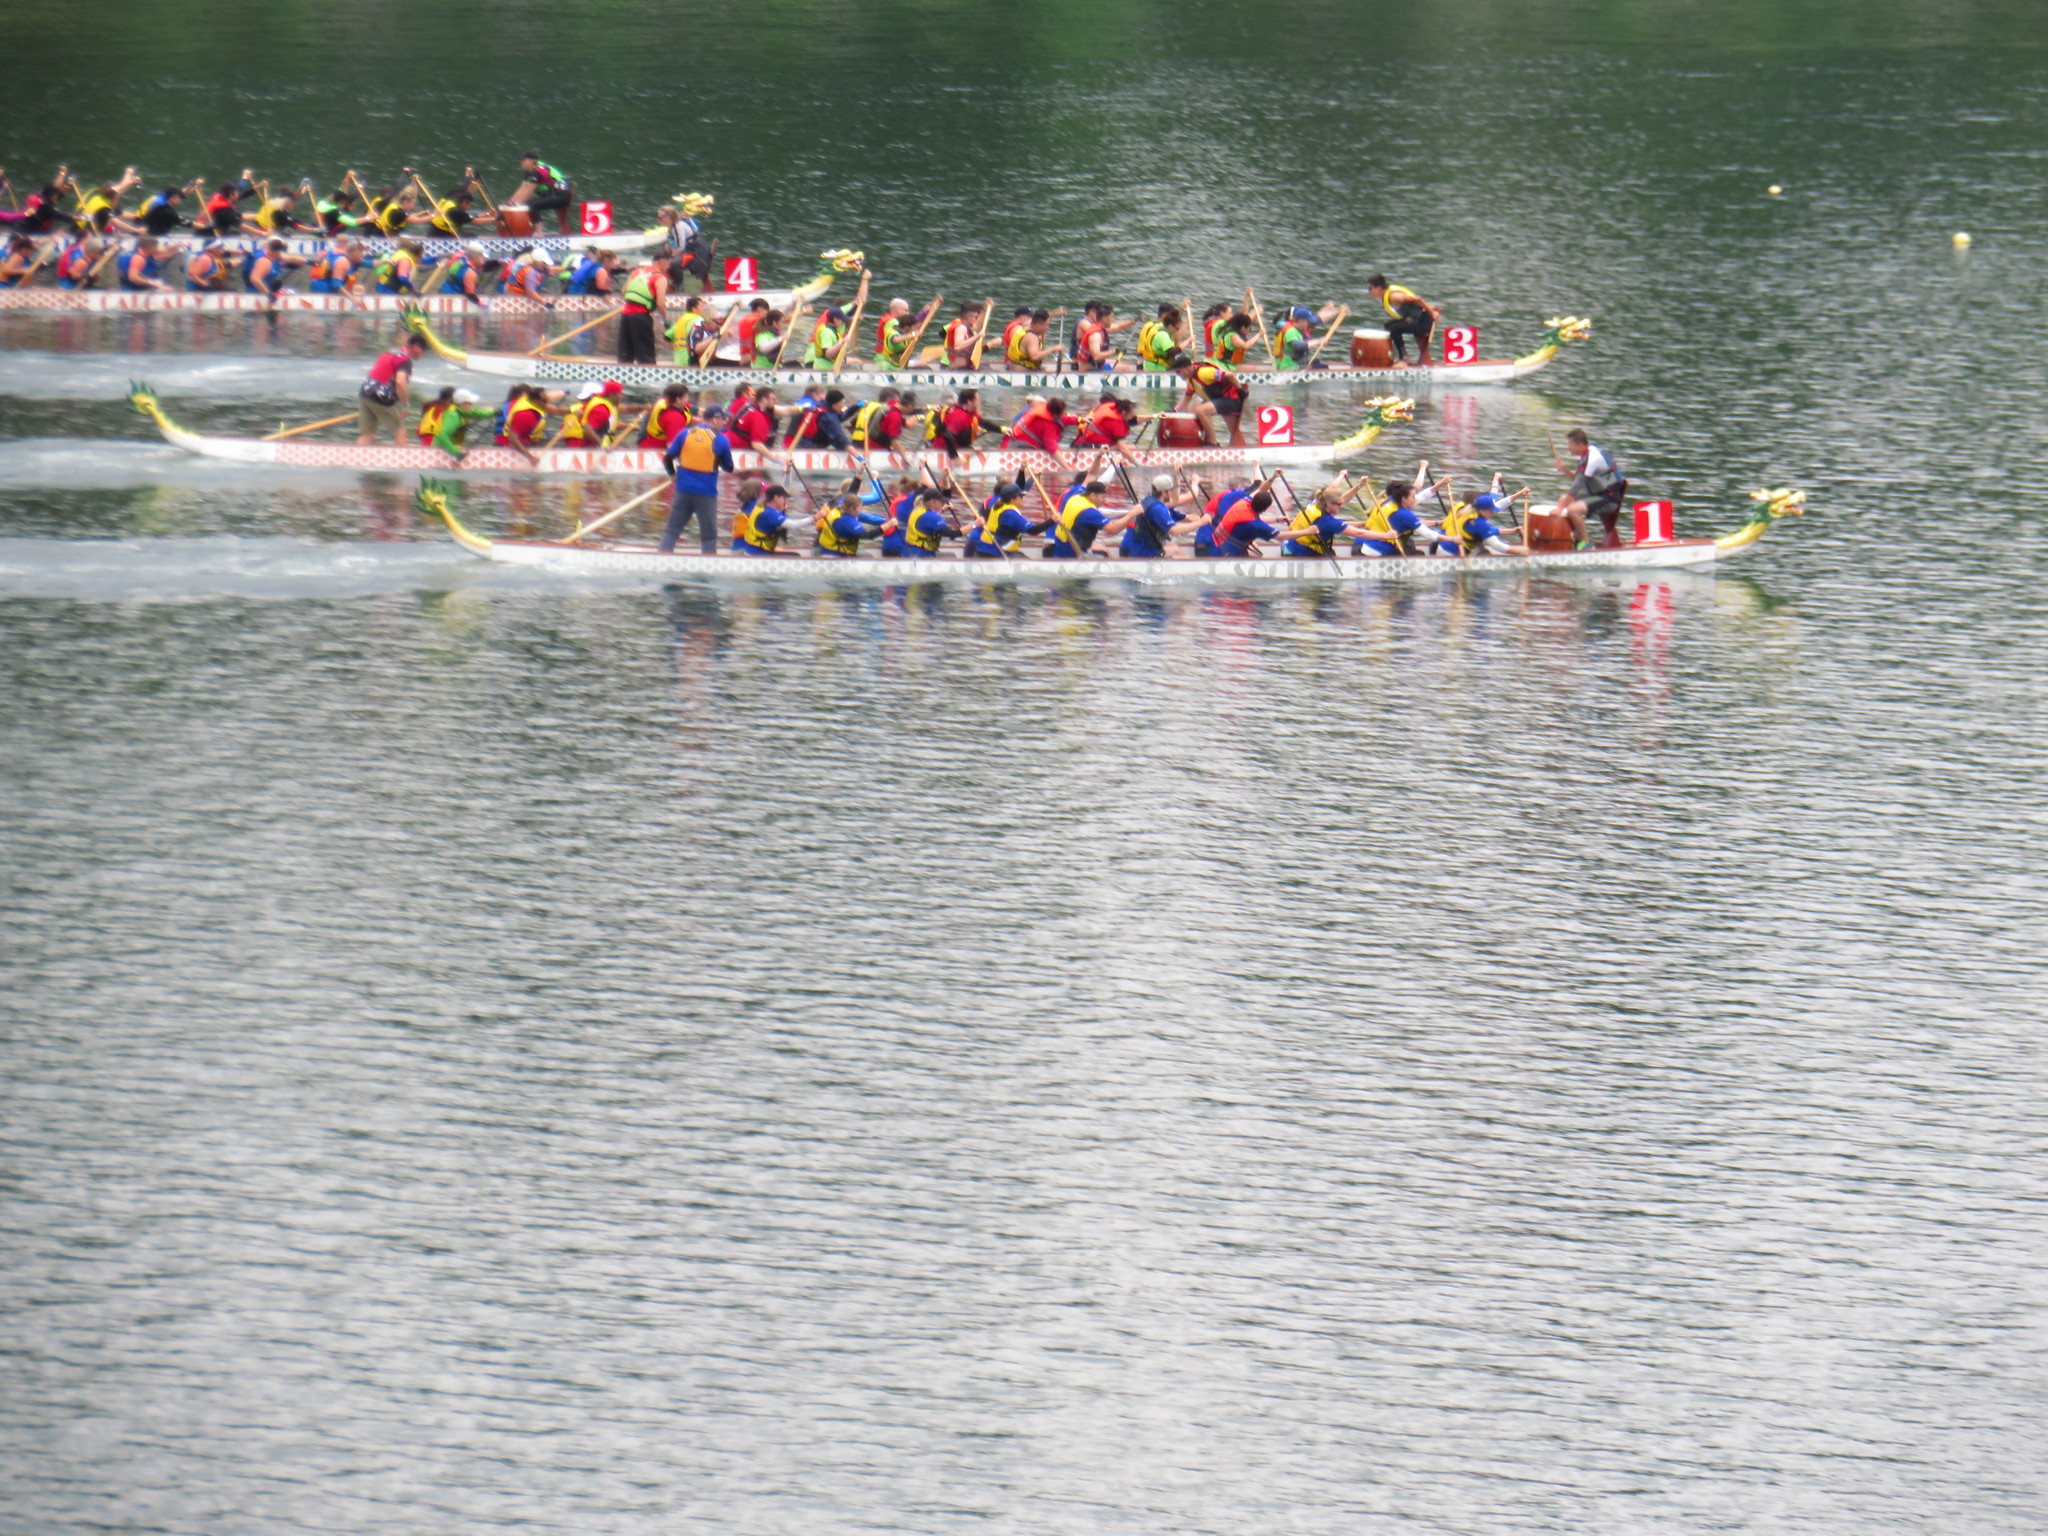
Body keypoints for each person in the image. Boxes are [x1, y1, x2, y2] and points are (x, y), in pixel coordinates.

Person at [660, 405, 734, 554]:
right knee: (709, 535)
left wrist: (672, 474)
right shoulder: (721, 440)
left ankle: (662, 554)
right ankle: (709, 561)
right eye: (723, 419)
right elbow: (729, 468)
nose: (725, 422)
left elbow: (668, 458)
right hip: (706, 494)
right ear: (715, 419)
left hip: (683, 490)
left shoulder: (685, 433)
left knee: (672, 530)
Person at [1553, 428, 1627, 547]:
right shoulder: (1585, 455)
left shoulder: (1592, 458)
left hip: (1608, 499)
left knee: (1571, 509)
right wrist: (1564, 469)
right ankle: (1576, 541)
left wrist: (1561, 509)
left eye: (1570, 444)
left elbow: (1577, 486)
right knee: (1563, 499)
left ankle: (1585, 545)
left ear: (1580, 444)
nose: (1568, 448)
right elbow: (1576, 479)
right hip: (1597, 494)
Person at [358, 333, 429, 446]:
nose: (423, 353)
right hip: (380, 397)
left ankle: (356, 460)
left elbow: (375, 373)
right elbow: (400, 383)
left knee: (367, 434)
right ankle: (402, 461)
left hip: (364, 393)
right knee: (400, 432)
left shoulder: (389, 353)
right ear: (415, 346)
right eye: (423, 349)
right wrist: (405, 405)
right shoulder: (405, 361)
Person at [1281, 479, 1375, 557]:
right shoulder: (1326, 521)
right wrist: (1386, 536)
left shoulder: (1315, 504)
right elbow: (1359, 533)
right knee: (1330, 554)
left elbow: (1342, 499)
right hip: (1298, 553)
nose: (1341, 506)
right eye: (1339, 505)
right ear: (1327, 504)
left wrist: (1359, 486)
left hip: (1288, 545)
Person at [1115, 473, 1199, 559]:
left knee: (1176, 550)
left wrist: (1176, 475)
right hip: (1141, 553)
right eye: (1171, 491)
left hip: (1138, 547)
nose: (1173, 493)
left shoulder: (1153, 501)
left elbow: (1180, 509)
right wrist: (1201, 523)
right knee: (1187, 560)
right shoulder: (1157, 509)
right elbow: (1175, 530)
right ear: (1164, 492)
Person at [1352, 480, 1443, 557]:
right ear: (1401, 497)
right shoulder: (1400, 513)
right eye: (1412, 497)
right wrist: (1452, 539)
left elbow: (1420, 497)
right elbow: (1427, 533)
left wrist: (1439, 484)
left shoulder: (1384, 503)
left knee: (1408, 544)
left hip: (1365, 545)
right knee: (1416, 551)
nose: (1415, 499)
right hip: (1376, 549)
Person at [1366, 274, 1441, 366]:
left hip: (1423, 322)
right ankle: (1397, 356)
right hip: (1417, 319)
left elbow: (1417, 299)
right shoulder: (1387, 296)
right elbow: (1415, 305)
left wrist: (1432, 313)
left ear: (1379, 288)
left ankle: (1404, 358)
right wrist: (1430, 307)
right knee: (1388, 326)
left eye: (1370, 289)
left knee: (1393, 328)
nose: (1369, 292)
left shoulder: (1394, 297)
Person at [1042, 473, 1117, 559]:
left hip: (1053, 545)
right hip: (1063, 549)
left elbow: (1093, 473)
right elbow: (1112, 528)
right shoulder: (1084, 504)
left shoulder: (1077, 494)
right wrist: (1131, 514)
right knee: (1103, 551)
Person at [1179, 356, 1248, 447]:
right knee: (1191, 409)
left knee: (1201, 410)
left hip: (1232, 400)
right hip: (1220, 401)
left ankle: (1213, 443)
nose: (1178, 375)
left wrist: (1240, 390)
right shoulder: (1190, 380)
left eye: (1178, 372)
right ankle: (1204, 440)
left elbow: (1229, 375)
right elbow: (1187, 397)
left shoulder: (1204, 372)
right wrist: (1176, 410)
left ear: (1187, 369)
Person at [965, 482, 1040, 559]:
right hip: (980, 543)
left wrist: (1029, 475)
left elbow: (1022, 487)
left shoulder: (995, 502)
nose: (1021, 498)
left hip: (975, 541)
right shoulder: (1000, 505)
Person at [618, 256, 668, 365]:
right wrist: (666, 321)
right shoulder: (660, 278)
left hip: (625, 316)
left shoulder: (636, 272)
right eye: (668, 263)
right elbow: (660, 304)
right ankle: (649, 375)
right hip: (641, 317)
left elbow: (623, 291)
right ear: (662, 261)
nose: (668, 267)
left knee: (625, 354)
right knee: (646, 355)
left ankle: (623, 375)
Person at [428, 388, 500, 459]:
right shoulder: (453, 415)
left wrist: (494, 413)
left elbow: (477, 413)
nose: (471, 405)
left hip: (449, 448)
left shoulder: (460, 410)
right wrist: (456, 453)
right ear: (462, 403)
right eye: (470, 403)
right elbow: (443, 435)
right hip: (439, 451)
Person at [1192, 475, 1252, 557]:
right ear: (1240, 487)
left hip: (1207, 541)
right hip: (1209, 543)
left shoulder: (1226, 497)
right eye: (1247, 488)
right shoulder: (1232, 498)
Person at [512, 153, 574, 233]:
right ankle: (531, 230)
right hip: (552, 195)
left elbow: (528, 192)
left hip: (561, 196)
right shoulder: (529, 173)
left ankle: (539, 233)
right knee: (527, 203)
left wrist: (516, 205)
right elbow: (521, 190)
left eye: (524, 160)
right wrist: (510, 203)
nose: (521, 162)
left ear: (531, 161)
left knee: (531, 205)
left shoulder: (538, 172)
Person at [815, 491, 887, 557]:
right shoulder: (846, 520)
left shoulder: (838, 510)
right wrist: (887, 525)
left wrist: (858, 478)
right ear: (852, 508)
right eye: (859, 508)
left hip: (826, 548)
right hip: (836, 553)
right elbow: (867, 535)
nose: (860, 511)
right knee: (868, 556)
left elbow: (850, 491)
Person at [1215, 489, 1282, 557]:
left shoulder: (1243, 503)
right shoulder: (1254, 524)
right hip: (1228, 550)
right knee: (1257, 555)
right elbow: (1280, 536)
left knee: (1254, 545)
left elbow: (1259, 488)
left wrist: (1277, 519)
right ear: (1265, 509)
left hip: (1222, 539)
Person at [733, 482, 792, 555]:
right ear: (759, 492)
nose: (770, 496)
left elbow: (782, 493)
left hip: (740, 547)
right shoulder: (757, 506)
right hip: (746, 549)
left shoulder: (748, 505)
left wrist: (787, 476)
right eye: (766, 492)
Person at [1072, 392, 1139, 456]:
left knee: (1127, 446)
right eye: (1131, 415)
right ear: (1124, 413)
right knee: (1128, 447)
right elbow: (1123, 449)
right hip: (1087, 447)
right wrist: (1137, 464)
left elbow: (1135, 420)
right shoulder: (1116, 421)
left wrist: (1148, 417)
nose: (1131, 418)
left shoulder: (1110, 409)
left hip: (1079, 443)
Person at [561, 379, 625, 446]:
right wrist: (603, 445)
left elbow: (607, 424)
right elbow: (588, 428)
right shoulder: (601, 408)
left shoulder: (596, 406)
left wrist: (627, 426)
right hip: (584, 444)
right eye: (620, 394)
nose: (622, 397)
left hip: (583, 443)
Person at [1003, 396, 1073, 456]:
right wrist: (1067, 468)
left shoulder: (1031, 412)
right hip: (1020, 447)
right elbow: (1052, 448)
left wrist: (1079, 419)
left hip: (1009, 444)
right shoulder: (1045, 423)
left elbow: (1063, 418)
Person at [666, 295, 717, 365]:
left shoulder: (681, 320)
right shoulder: (699, 320)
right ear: (694, 309)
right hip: (691, 360)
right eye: (701, 306)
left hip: (678, 360)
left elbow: (666, 337)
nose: (704, 309)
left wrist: (674, 348)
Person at [1135, 304, 1188, 372]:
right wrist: (1186, 326)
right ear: (1165, 316)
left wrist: (1181, 307)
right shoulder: (1162, 331)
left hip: (1145, 363)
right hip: (1157, 367)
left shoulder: (1149, 325)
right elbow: (1175, 341)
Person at [641, 383, 694, 448]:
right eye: (686, 397)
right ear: (678, 399)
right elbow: (672, 446)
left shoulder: (663, 402)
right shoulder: (675, 419)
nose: (687, 399)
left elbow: (686, 405)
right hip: (657, 452)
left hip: (646, 445)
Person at [934, 389, 984, 458]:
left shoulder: (963, 413)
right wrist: (955, 457)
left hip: (946, 445)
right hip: (944, 448)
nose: (979, 403)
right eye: (977, 400)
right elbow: (948, 436)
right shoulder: (958, 415)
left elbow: (982, 422)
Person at [727, 386, 779, 450]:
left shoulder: (731, 402)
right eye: (751, 395)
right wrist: (774, 457)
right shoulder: (746, 403)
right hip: (735, 442)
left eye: (754, 395)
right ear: (744, 394)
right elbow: (756, 444)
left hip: (728, 433)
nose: (753, 397)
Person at [944, 300, 988, 369]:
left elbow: (977, 326)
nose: (976, 319)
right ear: (968, 317)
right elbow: (957, 347)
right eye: (975, 317)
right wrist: (977, 336)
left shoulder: (963, 325)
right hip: (959, 369)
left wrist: (985, 309)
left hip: (965, 367)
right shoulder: (961, 328)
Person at [1274, 306, 1320, 371]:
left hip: (1296, 364)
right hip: (1288, 367)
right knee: (1323, 367)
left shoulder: (1298, 331)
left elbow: (1307, 341)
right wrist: (1318, 341)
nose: (1309, 324)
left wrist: (1318, 341)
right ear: (1301, 321)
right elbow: (1299, 346)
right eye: (1308, 321)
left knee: (1317, 362)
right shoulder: (1291, 331)